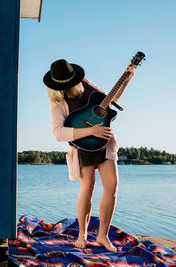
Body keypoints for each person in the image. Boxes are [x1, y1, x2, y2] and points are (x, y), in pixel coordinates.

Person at [43, 59, 136, 252]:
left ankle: (103, 236)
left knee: (112, 187)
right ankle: (82, 235)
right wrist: (90, 132)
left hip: (104, 143)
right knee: (88, 188)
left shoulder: (87, 87)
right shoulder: (57, 103)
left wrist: (127, 79)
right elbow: (58, 133)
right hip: (82, 147)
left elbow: (111, 101)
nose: (67, 86)